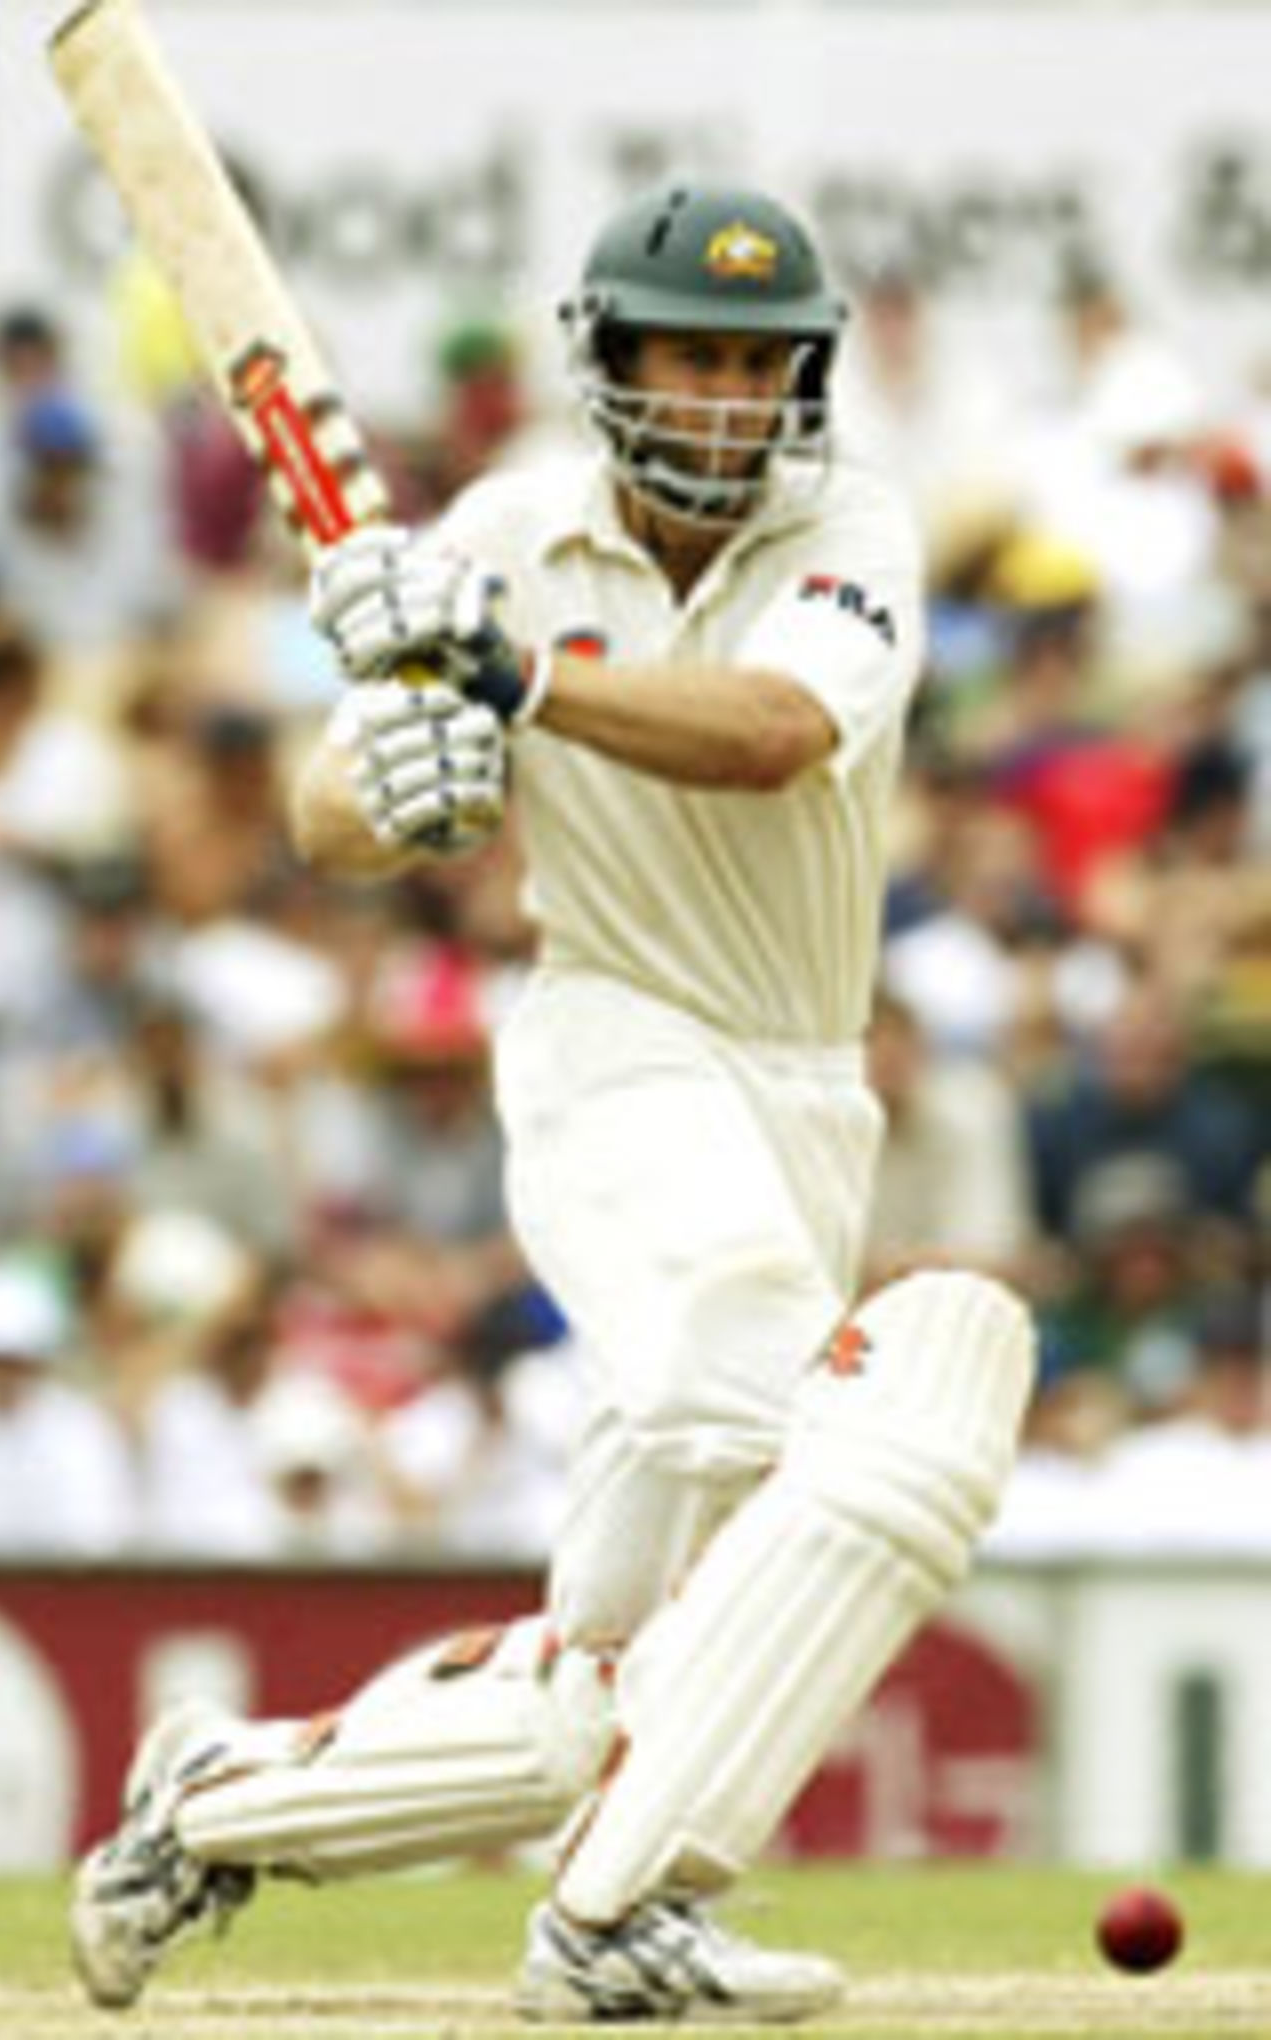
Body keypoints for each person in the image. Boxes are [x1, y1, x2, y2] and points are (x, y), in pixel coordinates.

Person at [70, 181, 1035, 2024]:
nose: (733, 398)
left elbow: (771, 732)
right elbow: (326, 816)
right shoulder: (508, 528)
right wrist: (411, 785)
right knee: (831, 1393)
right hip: (615, 1041)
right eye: (696, 355)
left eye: (765, 364)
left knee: (593, 1683)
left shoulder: (859, 530)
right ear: (613, 360)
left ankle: (214, 1803)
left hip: (807, 1088)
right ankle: (617, 1928)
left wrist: (516, 680)